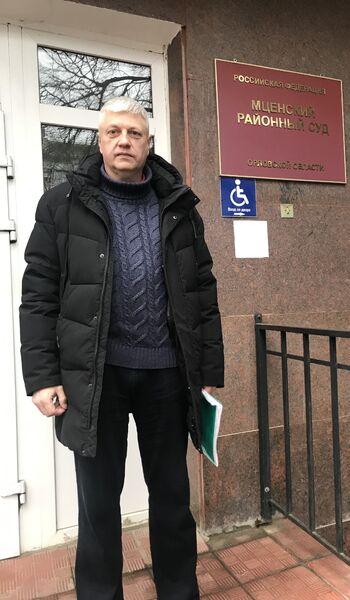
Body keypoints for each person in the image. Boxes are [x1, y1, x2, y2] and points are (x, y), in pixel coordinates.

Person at [19, 96, 224, 600]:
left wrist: (207, 372)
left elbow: (202, 290)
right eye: (114, 132)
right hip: (96, 377)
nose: (124, 141)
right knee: (98, 504)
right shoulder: (62, 204)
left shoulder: (179, 206)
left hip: (167, 375)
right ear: (100, 140)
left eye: (134, 133)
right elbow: (39, 295)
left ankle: (178, 592)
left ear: (149, 143)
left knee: (172, 496)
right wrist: (43, 377)